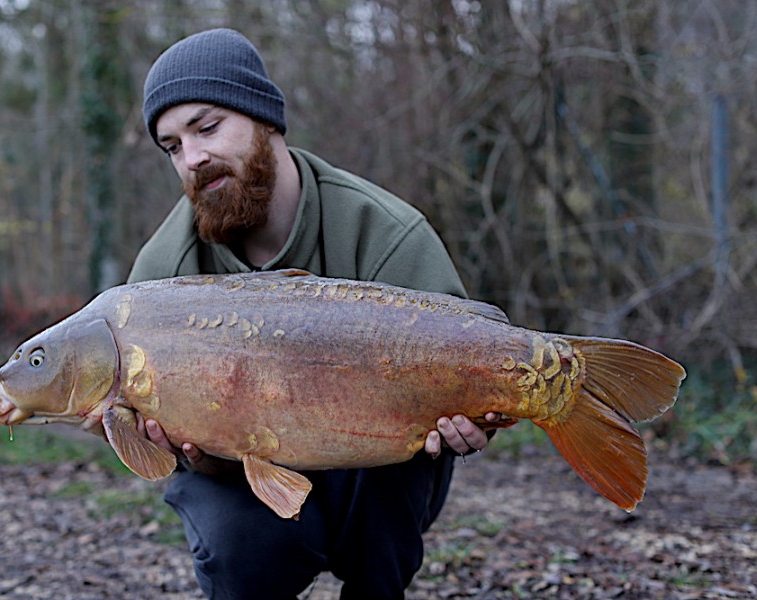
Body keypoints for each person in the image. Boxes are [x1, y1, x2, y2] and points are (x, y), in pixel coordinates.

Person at [128, 28, 496, 599]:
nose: (193, 157)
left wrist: (479, 414)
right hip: (240, 479)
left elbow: (471, 369)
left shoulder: (386, 234)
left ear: (266, 119)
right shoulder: (160, 276)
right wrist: (187, 450)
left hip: (375, 463)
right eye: (173, 147)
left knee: (390, 491)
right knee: (235, 546)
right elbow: (167, 450)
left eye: (207, 127)